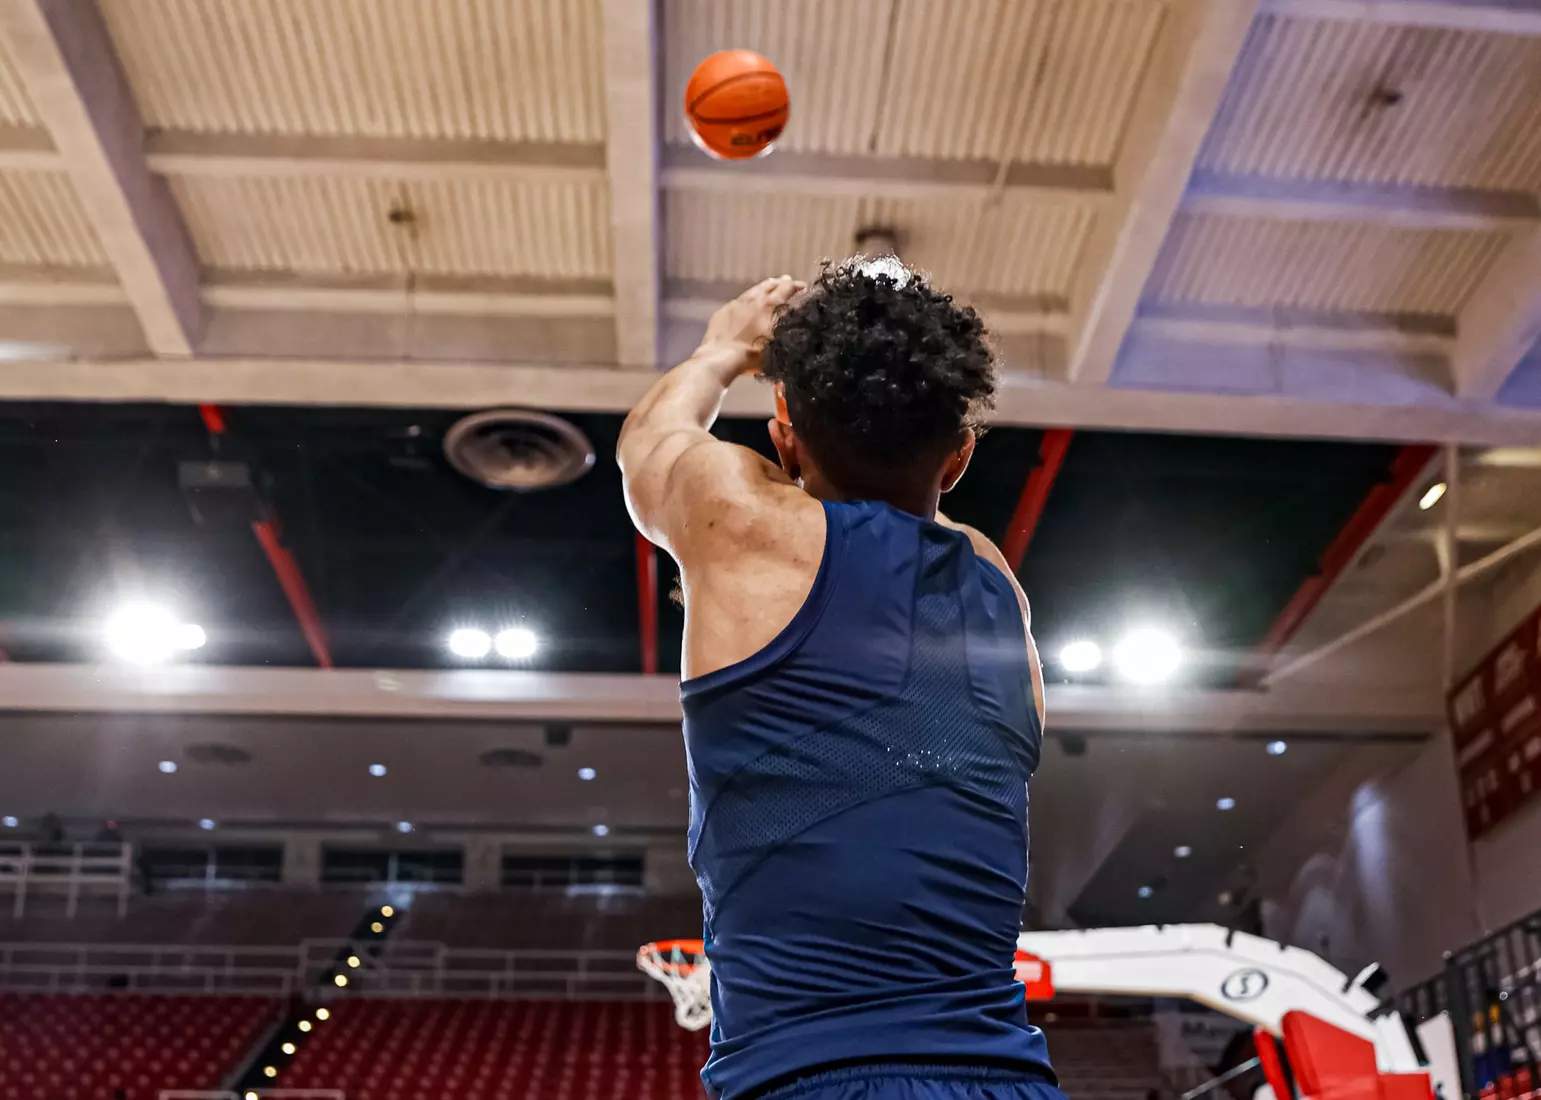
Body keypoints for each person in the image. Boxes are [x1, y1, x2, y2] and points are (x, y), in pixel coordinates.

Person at [618, 259, 1058, 1100]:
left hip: (806, 1079)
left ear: (783, 429)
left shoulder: (739, 520)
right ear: (960, 456)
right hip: (1008, 1080)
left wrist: (722, 350)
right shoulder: (997, 586)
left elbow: (650, 445)